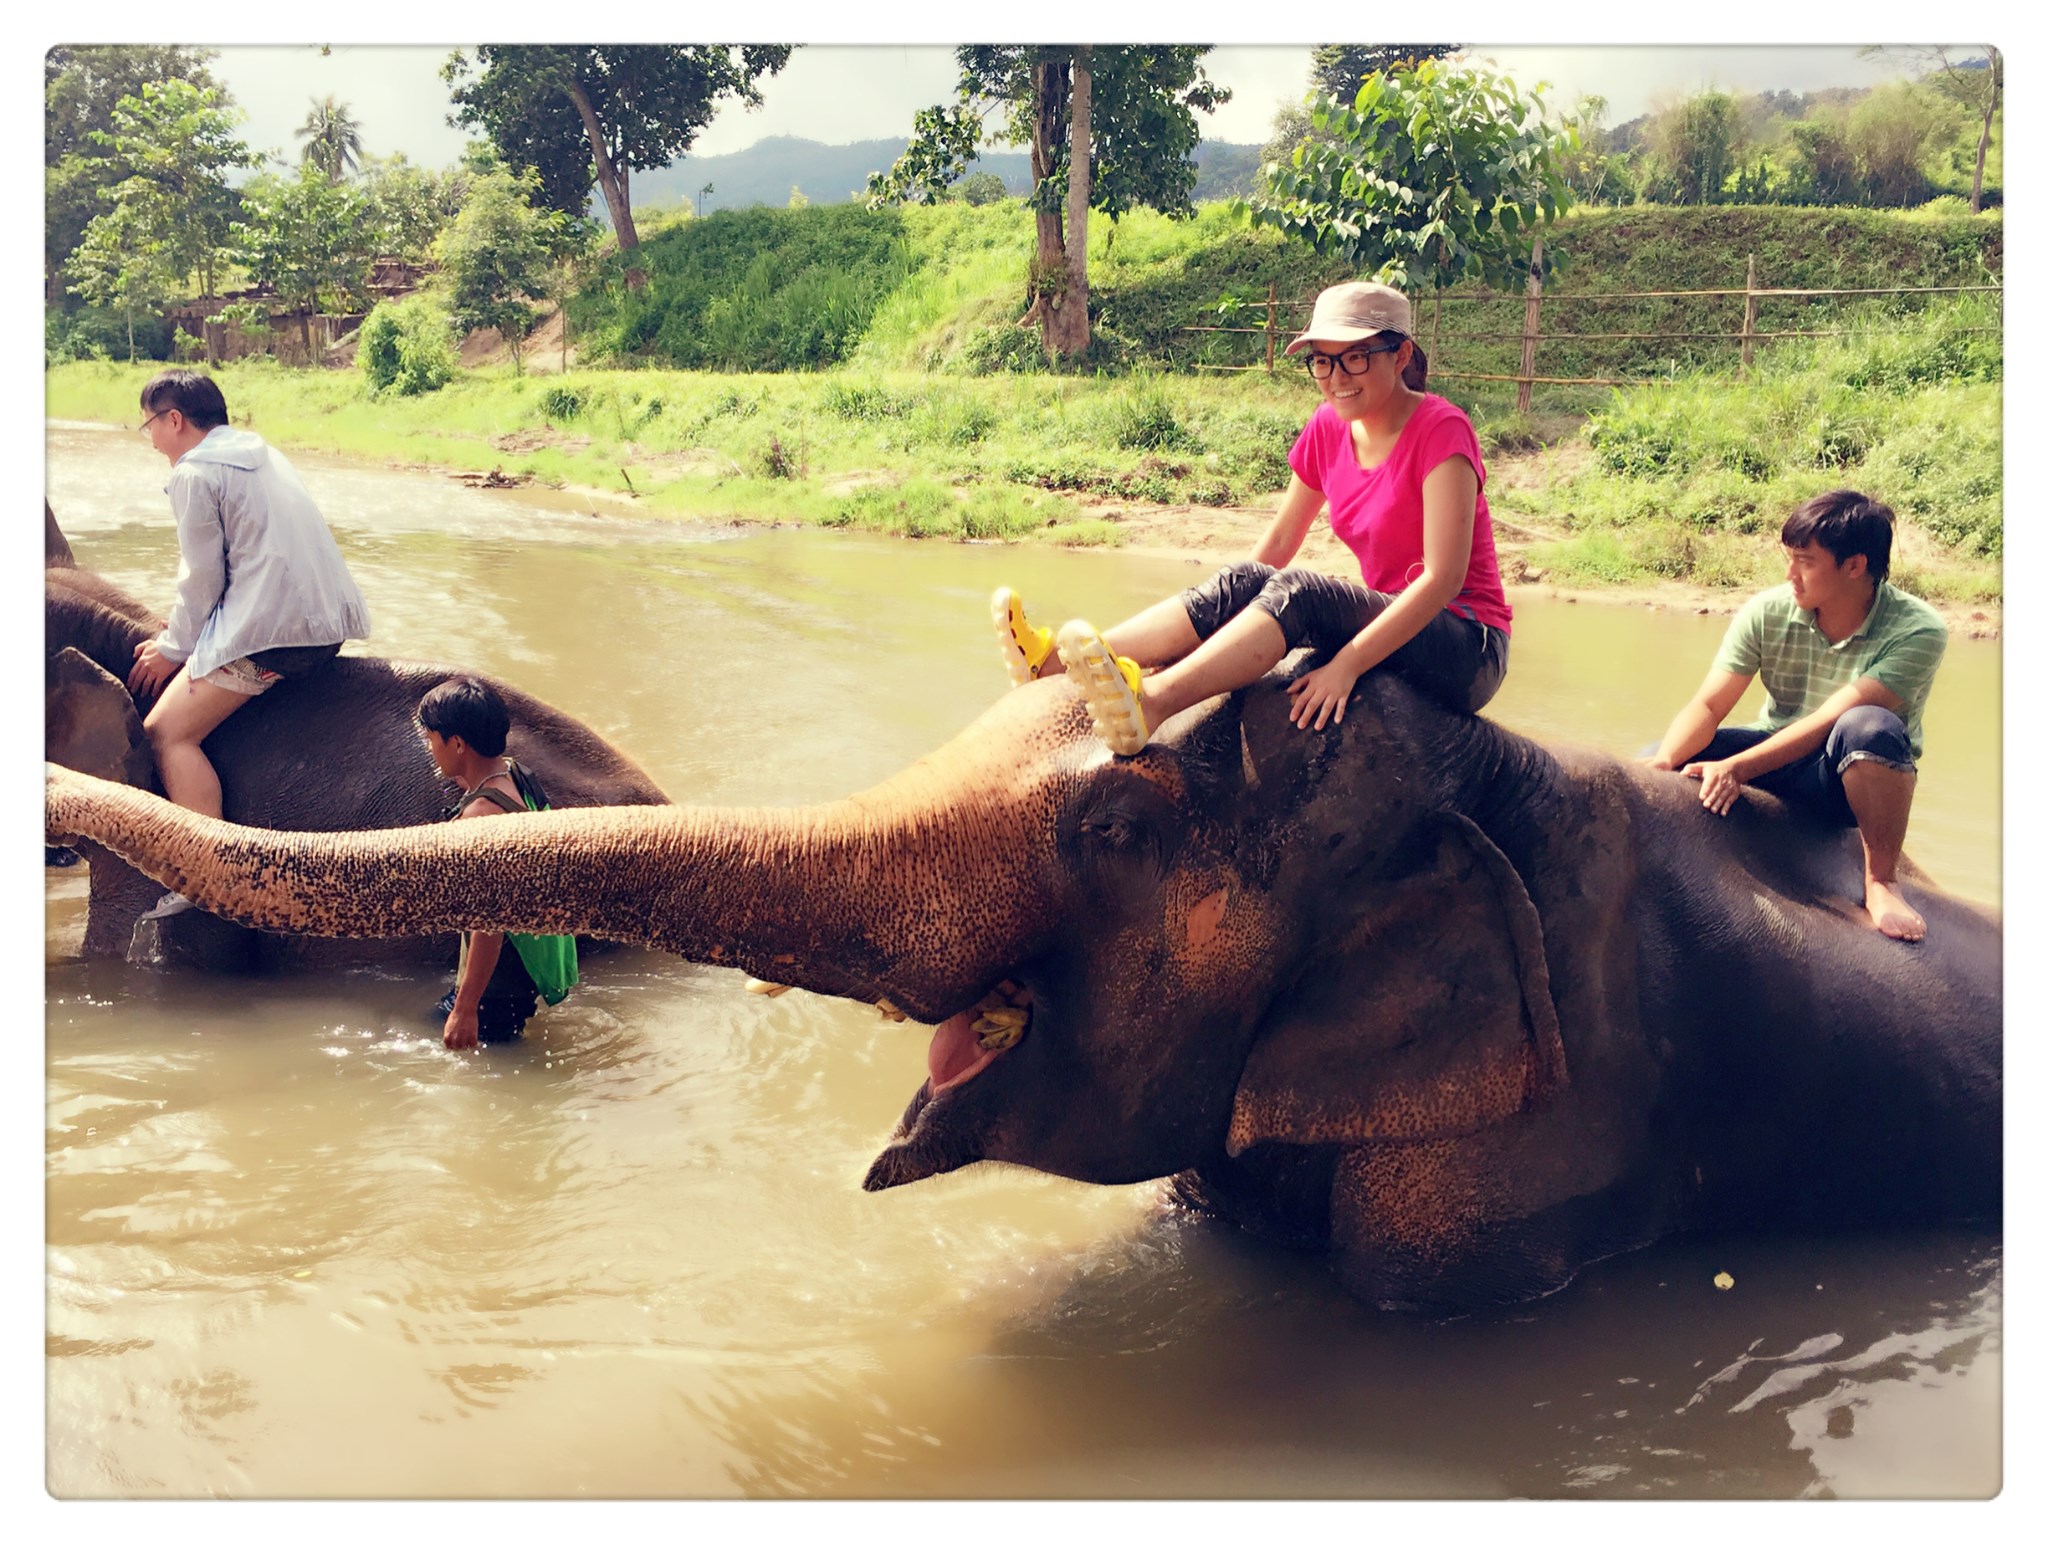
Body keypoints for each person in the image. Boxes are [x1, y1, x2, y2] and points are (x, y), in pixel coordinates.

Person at [992, 280, 1511, 755]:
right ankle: (1054, 664)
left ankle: (1153, 703)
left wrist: (1347, 666)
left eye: (1354, 358)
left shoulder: (1442, 429)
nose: (1335, 378)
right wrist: (1222, 615)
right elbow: (1280, 541)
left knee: (1303, 592)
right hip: (1396, 613)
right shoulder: (1328, 427)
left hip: (1468, 645)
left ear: (1400, 356)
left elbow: (1444, 579)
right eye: (1322, 362)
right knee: (1251, 577)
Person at [1642, 489, 1947, 942]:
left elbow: (1831, 720)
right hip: (1778, 755)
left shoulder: (1918, 630)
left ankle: (1881, 881)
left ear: (1855, 566)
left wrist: (1737, 769)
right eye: (1789, 559)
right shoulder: (1768, 611)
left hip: (1842, 774)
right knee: (1662, 757)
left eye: (1804, 561)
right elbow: (1708, 705)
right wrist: (1664, 765)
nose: (1790, 576)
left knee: (1870, 727)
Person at [129, 369, 370, 916]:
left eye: (149, 426)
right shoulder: (263, 452)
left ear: (174, 420)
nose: (151, 441)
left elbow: (202, 579)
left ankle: (207, 880)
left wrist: (173, 647)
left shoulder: (194, 472)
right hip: (324, 625)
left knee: (165, 733)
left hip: (273, 636)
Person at [415, 676, 578, 1049]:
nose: (429, 748)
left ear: (457, 744)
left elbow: (490, 924)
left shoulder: (482, 818)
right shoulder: (514, 773)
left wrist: (466, 1007)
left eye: (431, 739)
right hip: (523, 969)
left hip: (497, 983)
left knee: (454, 1049)